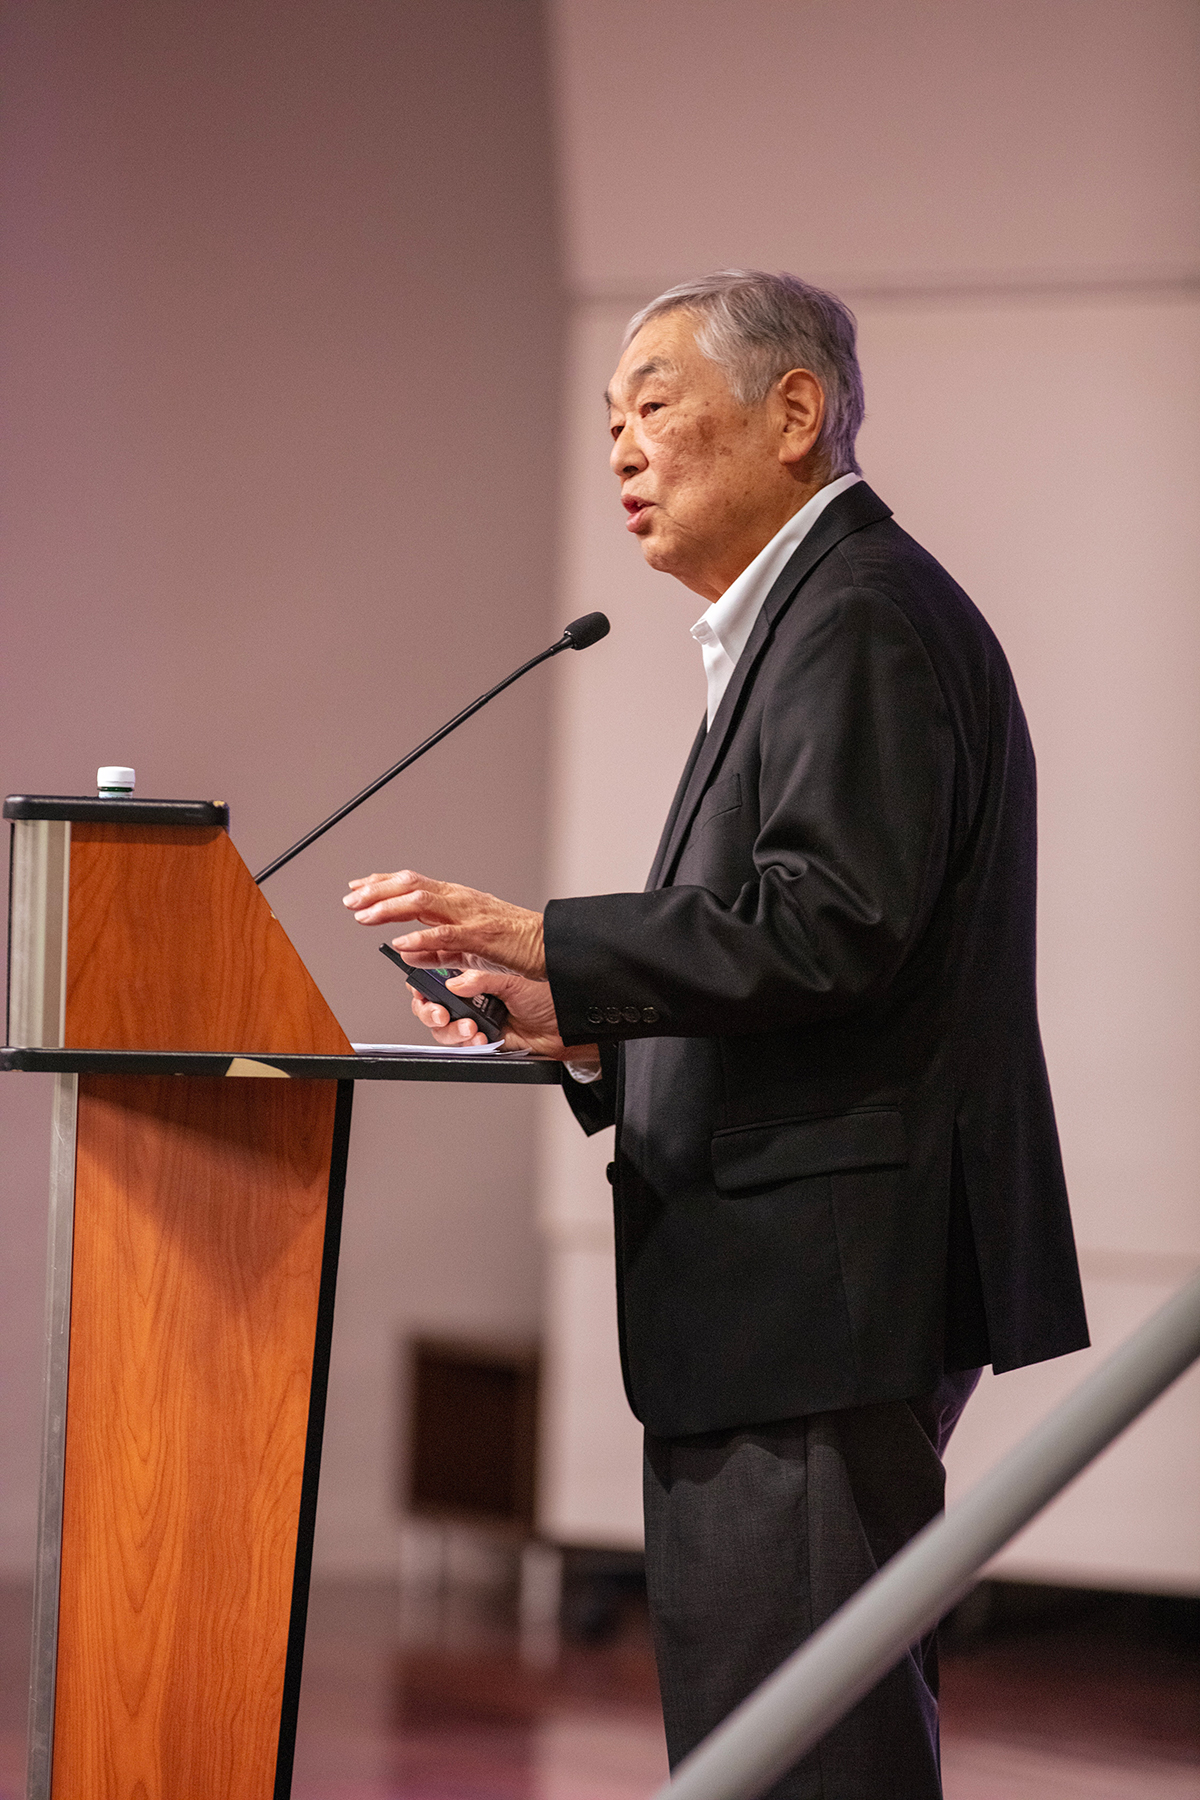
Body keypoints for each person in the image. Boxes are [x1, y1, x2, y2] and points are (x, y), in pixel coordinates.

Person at [342, 270, 1089, 1798]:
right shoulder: (811, 620)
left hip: (818, 1294)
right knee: (770, 1745)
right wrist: (584, 1028)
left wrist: (555, 934)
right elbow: (808, 959)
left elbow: (833, 921)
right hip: (784, 1295)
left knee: (809, 1757)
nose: (620, 449)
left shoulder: (861, 615)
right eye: (606, 421)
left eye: (655, 407)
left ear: (795, 413)